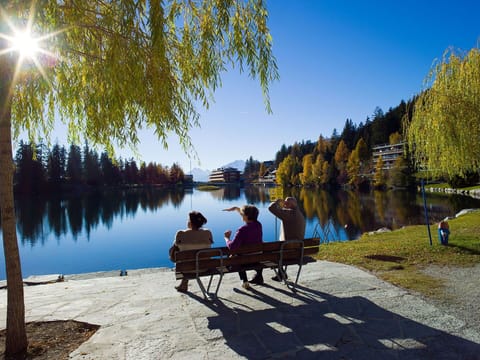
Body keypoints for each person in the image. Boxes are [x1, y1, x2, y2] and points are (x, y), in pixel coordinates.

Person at [223, 205, 264, 289]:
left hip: (244, 261)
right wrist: (236, 209)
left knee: (234, 255)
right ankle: (259, 277)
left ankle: (245, 281)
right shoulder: (258, 225)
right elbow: (248, 214)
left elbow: (232, 246)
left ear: (246, 216)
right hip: (257, 258)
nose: (241, 215)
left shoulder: (242, 229)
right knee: (247, 253)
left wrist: (227, 238)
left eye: (242, 214)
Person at [172, 211, 213, 292]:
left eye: (188, 219)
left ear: (191, 222)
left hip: (185, 268)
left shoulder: (180, 234)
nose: (187, 221)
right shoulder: (207, 233)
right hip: (204, 267)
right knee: (193, 256)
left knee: (181, 254)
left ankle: (184, 284)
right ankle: (183, 284)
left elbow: (175, 248)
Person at [268, 196, 306, 281]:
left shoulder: (289, 214)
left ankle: (278, 273)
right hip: (298, 251)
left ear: (292, 204)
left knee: (269, 251)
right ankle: (281, 273)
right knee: (279, 248)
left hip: (288, 251)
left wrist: (277, 202)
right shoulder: (299, 214)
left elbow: (271, 208)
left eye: (286, 202)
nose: (284, 204)